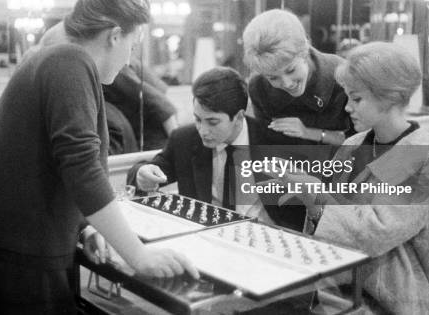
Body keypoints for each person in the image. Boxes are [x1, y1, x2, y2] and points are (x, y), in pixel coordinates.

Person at [0, 0, 198, 315]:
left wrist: (85, 226)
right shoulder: (70, 62)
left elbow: (42, 167)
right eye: (133, 44)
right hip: (13, 269)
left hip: (1, 258)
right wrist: (139, 256)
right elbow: (81, 169)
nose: (129, 59)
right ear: (114, 35)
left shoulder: (51, 60)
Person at [279, 42, 429, 314]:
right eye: (347, 97)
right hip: (336, 294)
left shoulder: (423, 154)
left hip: (392, 302)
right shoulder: (354, 144)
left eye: (356, 99)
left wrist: (317, 196)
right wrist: (307, 198)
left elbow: (376, 231)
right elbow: (327, 217)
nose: (347, 107)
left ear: (389, 97)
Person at [127, 67, 306, 230]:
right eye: (198, 119)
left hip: (267, 238)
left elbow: (304, 210)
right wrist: (142, 174)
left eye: (212, 122)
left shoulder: (275, 141)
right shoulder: (184, 140)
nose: (203, 131)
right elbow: (146, 171)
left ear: (238, 117)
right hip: (206, 239)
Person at [27, 21, 179, 152]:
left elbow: (162, 106)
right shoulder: (92, 74)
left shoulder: (113, 69)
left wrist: (177, 150)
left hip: (152, 143)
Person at [243, 9, 353, 147]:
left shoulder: (343, 75)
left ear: (304, 51)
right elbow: (264, 141)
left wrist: (309, 132)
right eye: (273, 78)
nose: (287, 83)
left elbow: (363, 142)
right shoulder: (258, 86)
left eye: (291, 70)